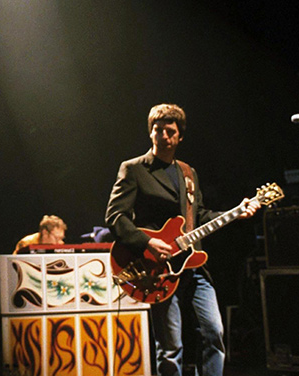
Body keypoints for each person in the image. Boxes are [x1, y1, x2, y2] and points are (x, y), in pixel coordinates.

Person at [105, 103, 258, 376]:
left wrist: (236, 213)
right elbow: (116, 217)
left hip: (194, 265)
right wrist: (147, 242)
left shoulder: (188, 173)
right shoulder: (134, 169)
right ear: (150, 133)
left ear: (180, 137)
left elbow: (197, 214)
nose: (163, 136)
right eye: (158, 130)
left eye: (170, 131)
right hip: (158, 268)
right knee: (171, 347)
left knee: (214, 333)